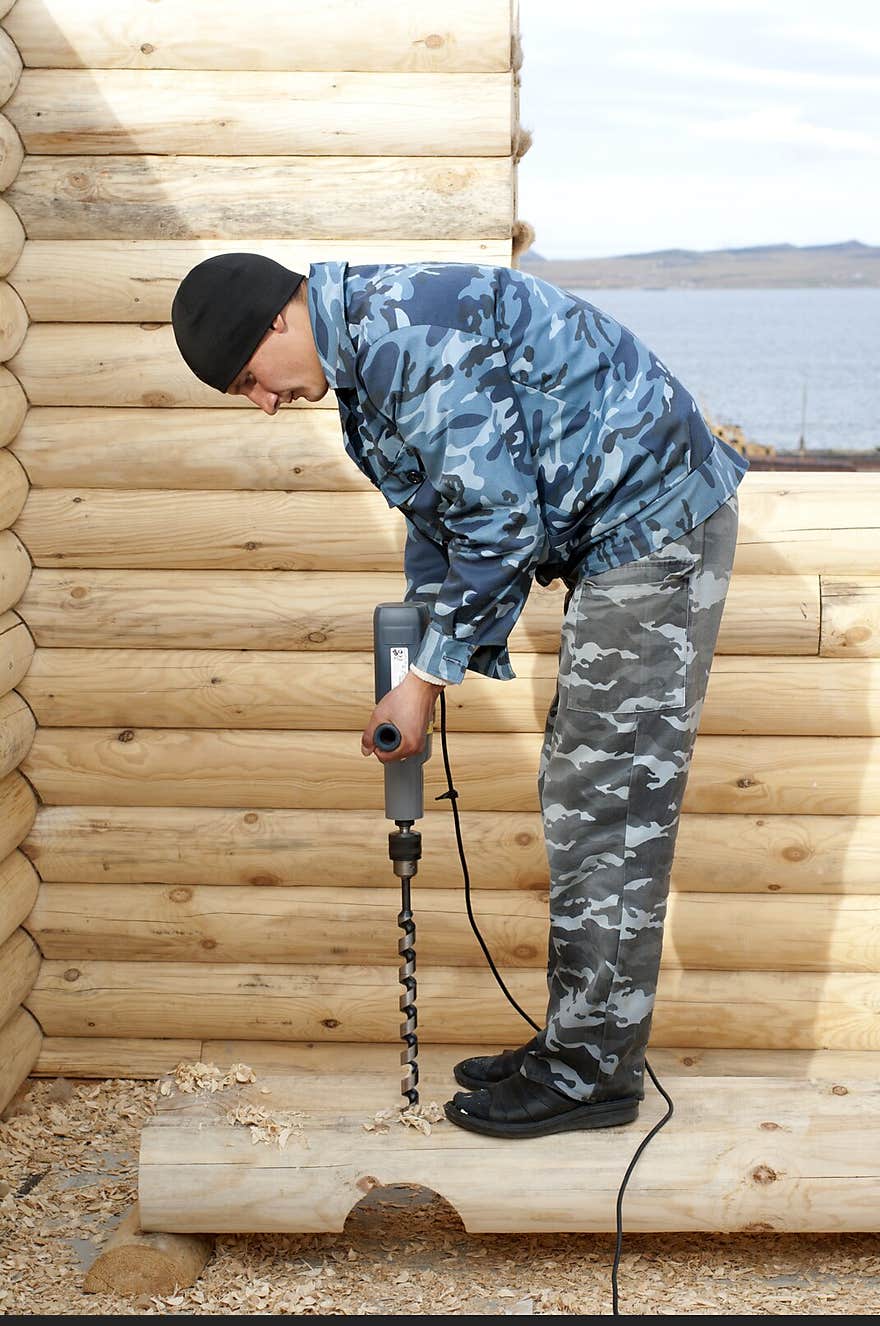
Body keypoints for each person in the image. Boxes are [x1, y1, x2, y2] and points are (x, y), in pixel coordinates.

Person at [172, 253, 747, 1139]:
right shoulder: (364, 361)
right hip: (621, 535)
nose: (264, 401)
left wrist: (426, 681)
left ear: (277, 322)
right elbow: (439, 519)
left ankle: (592, 1072)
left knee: (608, 800)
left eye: (252, 377)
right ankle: (580, 1042)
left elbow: (499, 522)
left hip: (656, 522)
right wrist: (416, 677)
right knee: (582, 790)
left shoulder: (406, 339)